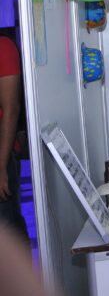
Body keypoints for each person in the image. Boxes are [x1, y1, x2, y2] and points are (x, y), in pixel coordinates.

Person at [0, 34, 26, 242]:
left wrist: (1, 167)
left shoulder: (3, 47)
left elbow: (11, 108)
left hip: (2, 153)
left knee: (8, 233)